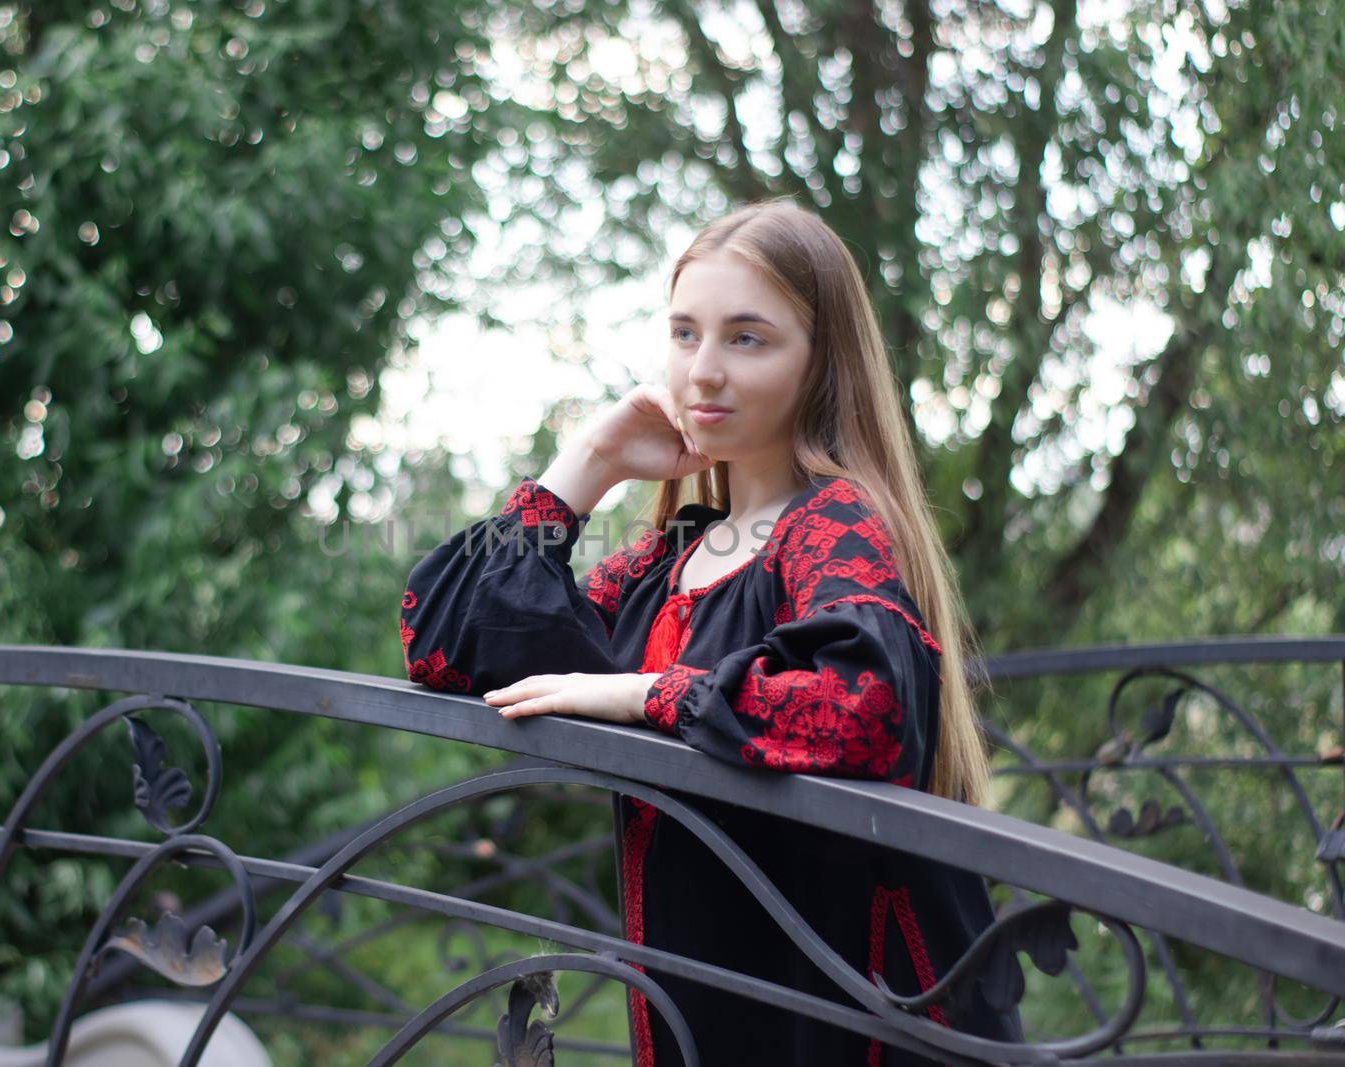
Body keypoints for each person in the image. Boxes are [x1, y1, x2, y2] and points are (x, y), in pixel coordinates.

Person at [399, 197, 1025, 1065]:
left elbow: (862, 706)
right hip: (699, 999)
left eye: (747, 338)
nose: (703, 372)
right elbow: (445, 639)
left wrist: (640, 693)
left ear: (821, 364)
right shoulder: (674, 557)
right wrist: (592, 462)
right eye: (685, 333)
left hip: (827, 1012)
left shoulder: (832, 524)